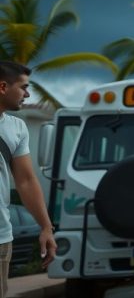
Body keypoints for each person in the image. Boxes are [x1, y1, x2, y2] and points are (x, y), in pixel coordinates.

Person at [0, 62, 55, 297]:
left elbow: (26, 181)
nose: (28, 94)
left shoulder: (17, 128)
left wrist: (45, 227)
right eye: (23, 87)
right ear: (3, 87)